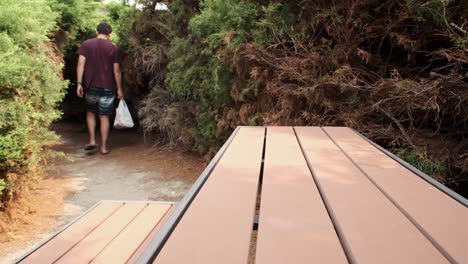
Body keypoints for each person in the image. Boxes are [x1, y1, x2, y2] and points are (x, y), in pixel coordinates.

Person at [76, 22, 123, 155]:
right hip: (108, 87)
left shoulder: (86, 44)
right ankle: (103, 147)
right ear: (110, 34)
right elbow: (117, 70)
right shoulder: (113, 48)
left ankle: (92, 141)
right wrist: (119, 89)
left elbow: (80, 64)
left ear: (96, 31)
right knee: (104, 116)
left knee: (91, 113)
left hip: (91, 85)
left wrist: (79, 83)